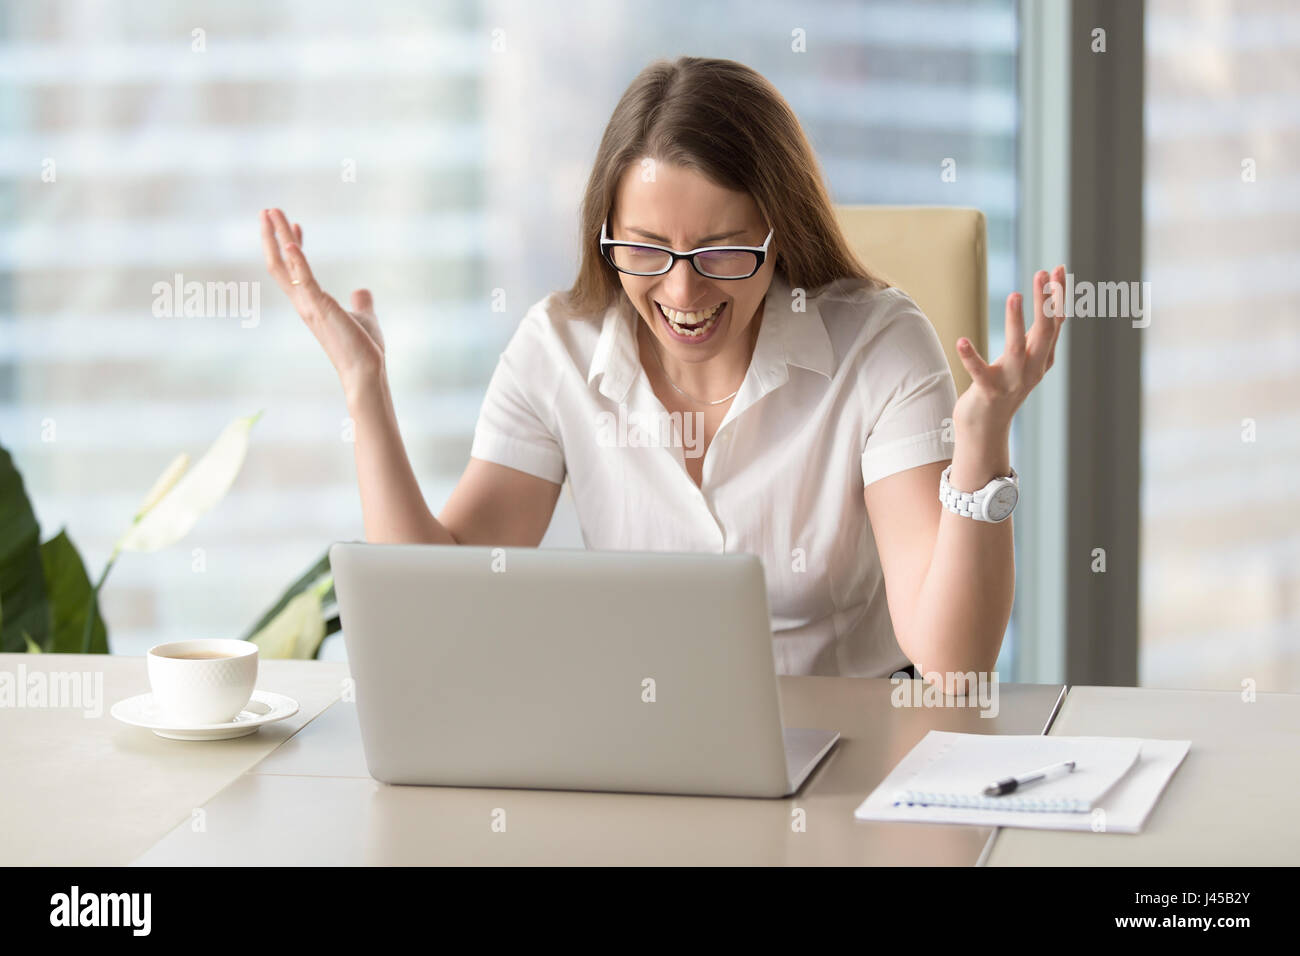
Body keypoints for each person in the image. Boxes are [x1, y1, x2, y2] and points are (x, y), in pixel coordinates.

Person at [259, 57, 1065, 684]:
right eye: (645, 248)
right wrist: (365, 393)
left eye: (721, 250)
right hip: (641, 747)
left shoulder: (879, 345)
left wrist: (981, 447)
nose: (683, 291)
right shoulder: (557, 349)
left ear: (779, 236)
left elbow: (955, 666)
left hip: (853, 752)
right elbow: (430, 610)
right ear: (603, 234)